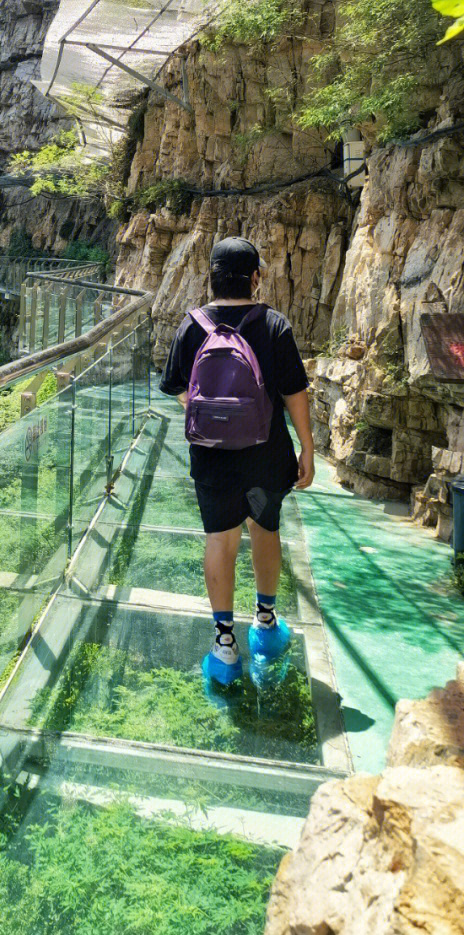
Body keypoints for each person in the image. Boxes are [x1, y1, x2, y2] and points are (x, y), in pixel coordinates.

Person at [159, 237, 315, 686]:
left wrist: (208, 414)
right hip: (266, 454)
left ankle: (224, 645)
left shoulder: (192, 325)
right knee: (265, 530)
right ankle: (265, 625)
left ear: (211, 277)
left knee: (220, 540)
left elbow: (177, 388)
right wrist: (306, 446)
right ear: (255, 278)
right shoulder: (273, 324)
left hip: (211, 459)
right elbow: (294, 392)